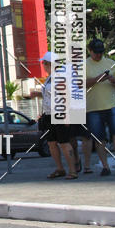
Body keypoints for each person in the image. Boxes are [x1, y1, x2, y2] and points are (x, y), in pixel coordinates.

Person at [85, 38, 115, 176]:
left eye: (101, 52)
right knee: (99, 138)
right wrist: (97, 79)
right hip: (93, 108)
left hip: (111, 106)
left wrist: (114, 81)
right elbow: (80, 84)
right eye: (96, 53)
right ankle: (105, 167)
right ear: (90, 51)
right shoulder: (84, 65)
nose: (99, 55)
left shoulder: (110, 63)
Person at [37, 52, 78, 180]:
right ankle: (60, 168)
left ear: (49, 64)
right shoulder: (50, 78)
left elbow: (66, 95)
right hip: (49, 114)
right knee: (51, 143)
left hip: (59, 113)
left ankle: (73, 170)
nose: (43, 65)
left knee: (64, 142)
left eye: (44, 63)